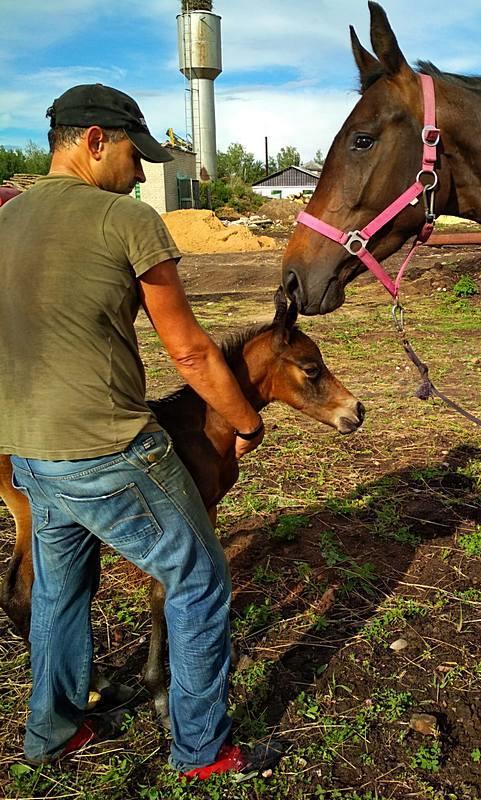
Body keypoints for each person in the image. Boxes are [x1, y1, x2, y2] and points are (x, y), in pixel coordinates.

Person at [0, 84, 273, 779]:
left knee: (62, 592)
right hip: (109, 448)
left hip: (30, 449)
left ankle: (52, 734)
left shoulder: (6, 220)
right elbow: (188, 350)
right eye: (133, 154)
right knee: (201, 578)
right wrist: (247, 420)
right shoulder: (127, 219)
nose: (142, 172)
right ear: (93, 140)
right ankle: (202, 750)